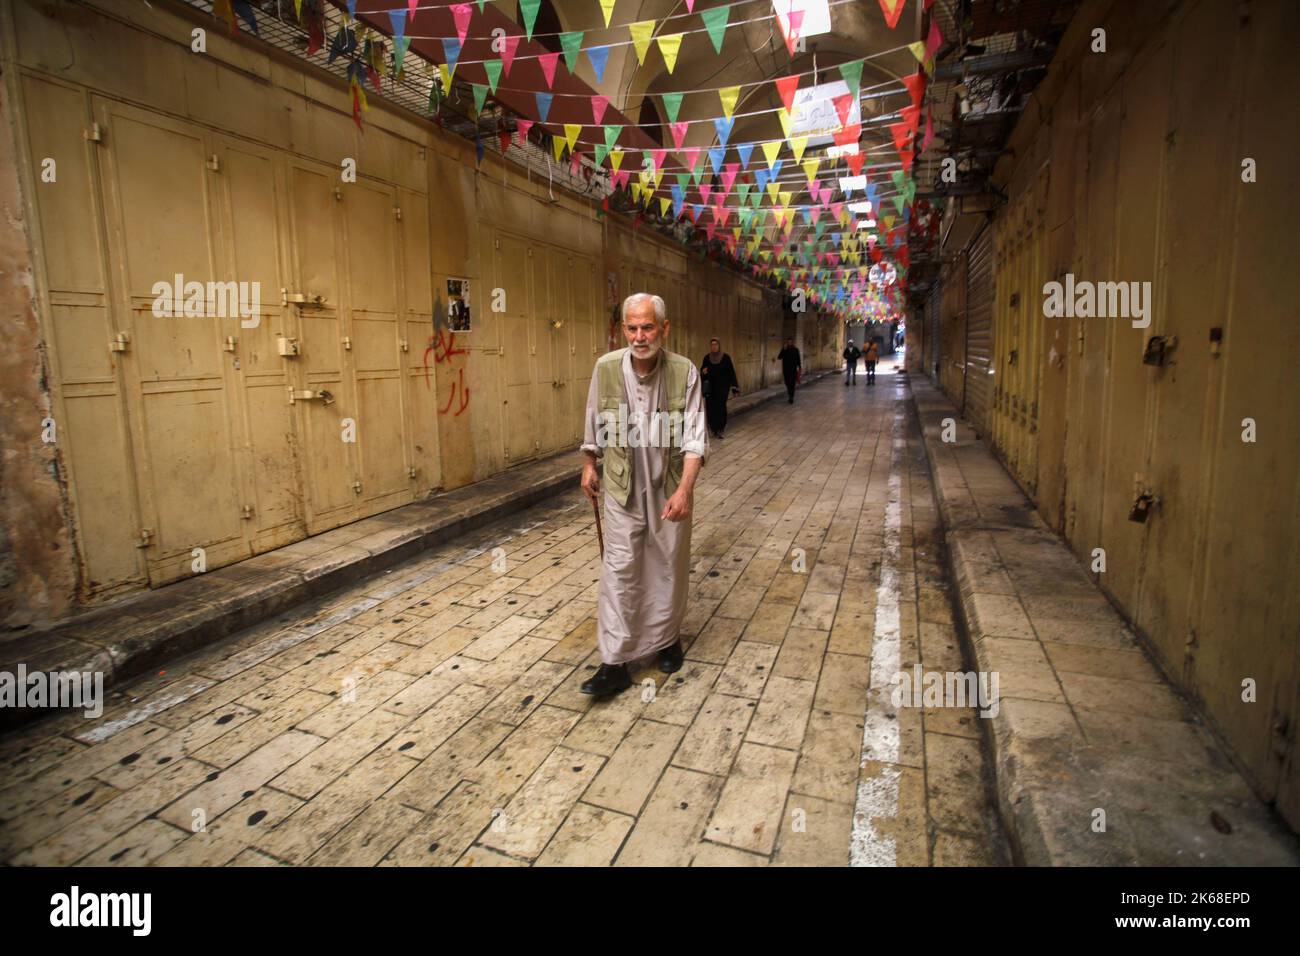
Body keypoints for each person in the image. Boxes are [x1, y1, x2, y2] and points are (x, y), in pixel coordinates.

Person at [578, 293, 709, 698]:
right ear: (623, 330)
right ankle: (614, 662)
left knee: (667, 564)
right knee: (620, 569)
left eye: (647, 327)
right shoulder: (605, 369)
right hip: (621, 486)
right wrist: (588, 463)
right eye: (632, 328)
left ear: (664, 329)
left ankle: (667, 639)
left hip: (669, 484)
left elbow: (694, 439)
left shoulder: (684, 372)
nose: (639, 336)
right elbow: (594, 419)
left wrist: (685, 489)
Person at [699, 337, 739, 439]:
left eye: (716, 344)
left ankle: (720, 429)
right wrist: (703, 373)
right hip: (710, 389)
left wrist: (734, 388)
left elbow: (731, 373)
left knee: (721, 408)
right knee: (711, 408)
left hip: (722, 389)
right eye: (712, 345)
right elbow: (702, 371)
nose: (714, 347)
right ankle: (713, 428)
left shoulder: (726, 358)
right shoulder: (707, 358)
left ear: (719, 346)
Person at [774, 337, 801, 403]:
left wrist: (799, 367)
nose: (789, 343)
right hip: (786, 370)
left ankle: (791, 397)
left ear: (792, 342)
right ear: (787, 343)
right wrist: (783, 349)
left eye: (790, 342)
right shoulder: (784, 349)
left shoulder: (795, 350)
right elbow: (779, 357)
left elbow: (798, 359)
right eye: (788, 342)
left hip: (793, 370)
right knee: (787, 383)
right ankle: (790, 394)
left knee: (792, 383)